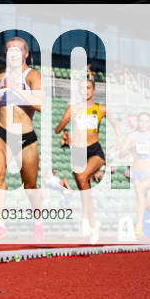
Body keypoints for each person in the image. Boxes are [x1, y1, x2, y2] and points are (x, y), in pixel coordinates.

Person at [0, 37, 44, 241]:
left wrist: (18, 91)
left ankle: (38, 221)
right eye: (9, 50)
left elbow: (41, 104)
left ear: (25, 54)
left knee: (29, 184)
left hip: (25, 136)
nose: (13, 53)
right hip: (2, 133)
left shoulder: (32, 76)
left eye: (18, 50)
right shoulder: (0, 76)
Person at [53, 77, 112, 240]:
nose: (85, 90)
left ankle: (85, 219)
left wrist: (120, 139)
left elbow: (117, 125)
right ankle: (94, 224)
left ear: (93, 90)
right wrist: (64, 122)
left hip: (95, 150)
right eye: (82, 88)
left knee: (81, 176)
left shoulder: (101, 109)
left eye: (88, 87)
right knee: (84, 188)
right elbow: (57, 130)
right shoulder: (72, 108)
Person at [119, 112, 150, 238]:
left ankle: (138, 226)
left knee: (139, 191)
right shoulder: (132, 136)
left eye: (146, 121)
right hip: (136, 172)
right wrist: (127, 149)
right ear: (137, 122)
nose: (143, 124)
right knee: (140, 198)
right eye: (141, 121)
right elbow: (121, 154)